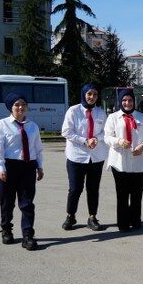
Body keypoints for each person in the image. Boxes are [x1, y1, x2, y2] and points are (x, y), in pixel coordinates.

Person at [0, 92, 44, 251]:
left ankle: (28, 235)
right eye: (17, 105)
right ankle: (6, 229)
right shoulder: (2, 124)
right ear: (11, 107)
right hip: (8, 167)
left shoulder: (32, 126)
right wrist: (0, 167)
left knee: (27, 203)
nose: (20, 107)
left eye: (23, 104)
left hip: (28, 167)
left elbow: (38, 148)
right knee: (7, 202)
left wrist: (40, 166)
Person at [60, 83, 107, 231]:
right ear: (84, 94)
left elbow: (106, 131)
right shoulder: (73, 111)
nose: (92, 97)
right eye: (89, 94)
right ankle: (70, 216)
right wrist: (85, 141)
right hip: (77, 157)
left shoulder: (100, 112)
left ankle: (92, 217)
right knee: (75, 189)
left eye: (95, 94)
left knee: (93, 189)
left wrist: (96, 139)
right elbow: (66, 131)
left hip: (96, 157)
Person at [103, 88, 143, 231]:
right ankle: (123, 223)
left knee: (137, 193)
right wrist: (118, 141)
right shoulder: (112, 117)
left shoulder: (142, 117)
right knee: (122, 194)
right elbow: (106, 137)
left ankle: (135, 220)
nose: (127, 103)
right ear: (120, 101)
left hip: (138, 160)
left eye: (130, 100)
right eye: (124, 100)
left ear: (133, 101)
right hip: (119, 161)